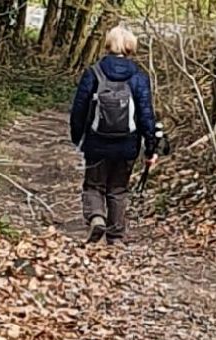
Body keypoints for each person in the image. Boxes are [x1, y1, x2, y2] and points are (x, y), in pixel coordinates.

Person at [69, 26, 161, 245]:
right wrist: (151, 148)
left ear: (108, 44)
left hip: (96, 141)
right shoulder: (138, 77)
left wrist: (78, 138)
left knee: (93, 185)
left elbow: (79, 109)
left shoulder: (94, 72)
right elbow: (146, 115)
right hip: (128, 144)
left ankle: (97, 217)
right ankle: (116, 237)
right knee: (118, 189)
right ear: (131, 47)